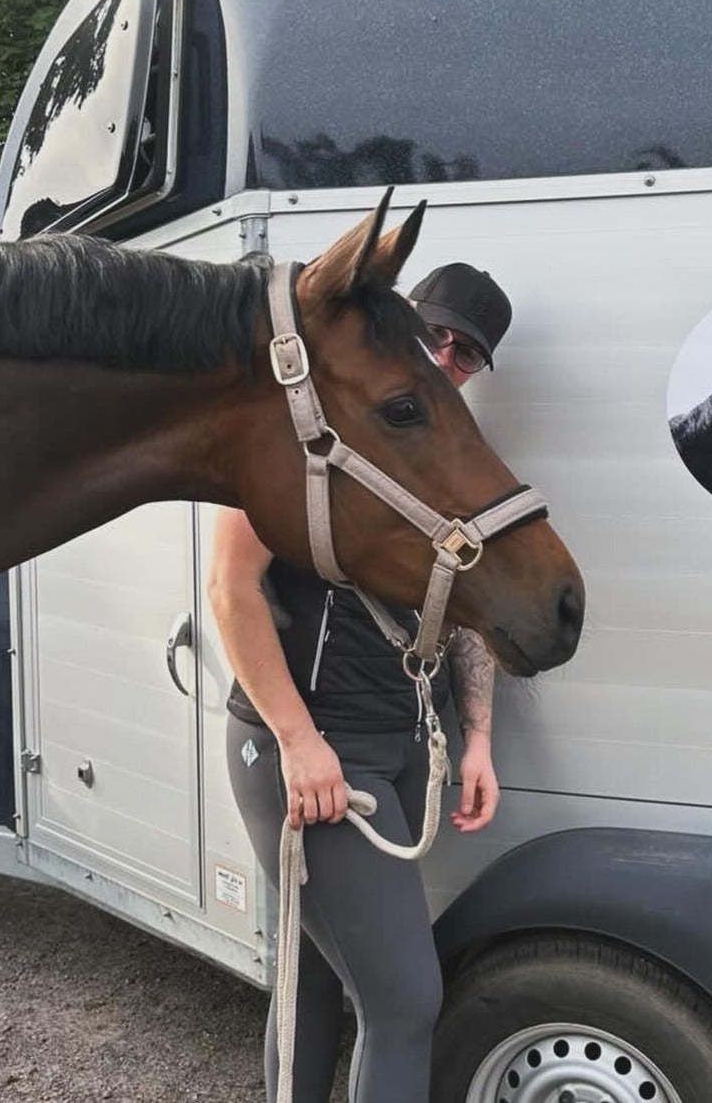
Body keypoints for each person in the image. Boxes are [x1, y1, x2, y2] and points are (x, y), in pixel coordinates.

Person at [210, 262, 514, 1103]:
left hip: (403, 747)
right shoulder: (308, 436)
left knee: (313, 977)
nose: (448, 356)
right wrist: (299, 743)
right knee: (406, 1001)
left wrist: (480, 735)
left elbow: (467, 612)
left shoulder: (449, 462)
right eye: (438, 334)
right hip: (312, 753)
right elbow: (229, 590)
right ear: (403, 323)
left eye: (469, 352)